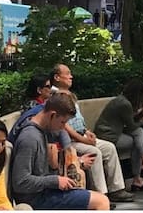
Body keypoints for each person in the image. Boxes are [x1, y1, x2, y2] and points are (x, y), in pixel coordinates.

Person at [10, 94, 111, 210]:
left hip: (45, 192)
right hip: (37, 198)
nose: (63, 127)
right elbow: (20, 182)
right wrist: (55, 181)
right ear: (52, 115)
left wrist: (78, 162)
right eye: (63, 122)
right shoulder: (29, 138)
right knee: (101, 201)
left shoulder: (42, 131)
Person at [50, 64, 132, 204]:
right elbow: (64, 125)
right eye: (68, 73)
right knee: (94, 152)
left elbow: (78, 120)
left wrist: (88, 132)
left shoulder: (70, 95)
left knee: (109, 147)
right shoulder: (55, 97)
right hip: (71, 140)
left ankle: (116, 189)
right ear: (57, 77)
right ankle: (100, 195)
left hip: (82, 136)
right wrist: (83, 139)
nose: (71, 76)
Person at [93, 79, 143, 193]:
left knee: (139, 135)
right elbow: (132, 126)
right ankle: (139, 175)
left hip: (114, 132)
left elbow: (130, 123)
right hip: (108, 136)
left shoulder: (121, 100)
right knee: (138, 140)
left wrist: (142, 113)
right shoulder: (124, 104)